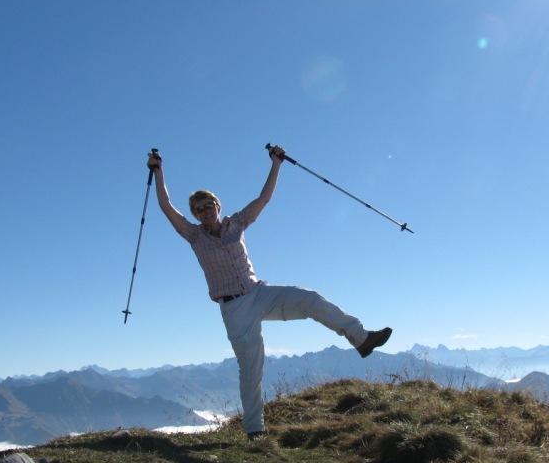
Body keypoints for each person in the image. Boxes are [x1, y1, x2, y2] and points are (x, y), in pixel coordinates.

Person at [147, 145, 392, 440]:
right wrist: (159, 171)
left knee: (310, 299)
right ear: (194, 215)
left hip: (259, 292)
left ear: (217, 206)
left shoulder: (237, 223)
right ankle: (254, 430)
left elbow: (263, 198)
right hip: (234, 309)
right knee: (251, 368)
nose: (204, 212)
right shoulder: (194, 235)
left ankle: (361, 339)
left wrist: (276, 164)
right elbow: (165, 206)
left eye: (208, 206)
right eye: (198, 210)